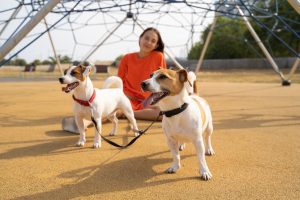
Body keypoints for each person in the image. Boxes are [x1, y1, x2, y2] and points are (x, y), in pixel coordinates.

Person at [117, 27, 166, 120]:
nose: (148, 42)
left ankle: (127, 114)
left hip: (147, 102)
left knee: (163, 113)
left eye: (153, 41)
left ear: (156, 45)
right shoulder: (127, 58)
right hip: (127, 98)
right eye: (146, 38)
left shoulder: (158, 56)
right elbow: (119, 81)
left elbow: (161, 81)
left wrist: (153, 99)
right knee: (109, 109)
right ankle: (124, 112)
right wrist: (125, 95)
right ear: (140, 38)